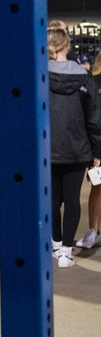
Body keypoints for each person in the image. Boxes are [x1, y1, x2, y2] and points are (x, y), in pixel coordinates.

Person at [46, 24, 101, 267]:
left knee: (51, 199)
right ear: (66, 46)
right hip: (77, 148)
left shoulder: (38, 76)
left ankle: (55, 243)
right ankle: (66, 251)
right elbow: (93, 118)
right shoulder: (83, 77)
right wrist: (97, 151)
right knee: (72, 199)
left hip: (47, 148)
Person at [76, 49, 101, 249]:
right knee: (98, 186)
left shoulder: (91, 82)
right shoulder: (94, 84)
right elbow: (94, 120)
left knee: (98, 187)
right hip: (98, 144)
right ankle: (93, 230)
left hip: (96, 145)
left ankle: (93, 230)